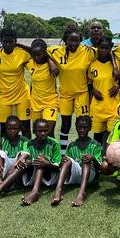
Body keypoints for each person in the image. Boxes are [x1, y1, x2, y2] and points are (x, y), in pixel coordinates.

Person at [49, 26, 96, 154]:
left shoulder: (88, 51)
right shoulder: (57, 51)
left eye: (76, 40)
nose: (74, 43)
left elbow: (106, 52)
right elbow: (41, 51)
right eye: (71, 40)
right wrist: (51, 62)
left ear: (80, 40)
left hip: (82, 93)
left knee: (83, 124)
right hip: (65, 94)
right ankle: (64, 154)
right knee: (65, 124)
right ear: (65, 40)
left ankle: (82, 152)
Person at [0, 28, 32, 136]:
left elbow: (37, 51)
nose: (8, 44)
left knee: (25, 127)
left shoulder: (22, 54)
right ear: (1, 42)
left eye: (11, 42)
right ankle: (4, 152)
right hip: (4, 97)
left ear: (15, 41)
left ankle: (28, 151)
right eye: (5, 42)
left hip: (22, 95)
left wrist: (20, 45)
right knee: (4, 128)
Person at [51, 116, 102, 207]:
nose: (82, 130)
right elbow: (68, 165)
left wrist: (93, 158)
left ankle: (81, 194)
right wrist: (63, 161)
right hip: (75, 177)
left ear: (90, 128)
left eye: (85, 128)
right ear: (76, 127)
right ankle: (58, 192)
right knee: (67, 160)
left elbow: (100, 168)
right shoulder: (71, 145)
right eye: (79, 127)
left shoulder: (95, 144)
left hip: (90, 177)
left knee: (85, 160)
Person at [19, 118, 62, 205]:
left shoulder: (54, 143)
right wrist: (32, 162)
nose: (43, 133)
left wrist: (47, 164)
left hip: (50, 177)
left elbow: (57, 167)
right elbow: (24, 162)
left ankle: (35, 192)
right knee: (39, 160)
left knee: (41, 160)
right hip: (32, 176)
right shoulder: (28, 143)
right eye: (40, 131)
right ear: (34, 131)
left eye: (45, 131)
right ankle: (2, 187)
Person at [87, 36, 120, 145]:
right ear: (97, 47)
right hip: (97, 107)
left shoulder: (117, 64)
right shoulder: (92, 65)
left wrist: (118, 86)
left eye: (106, 48)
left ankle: (109, 161)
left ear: (110, 48)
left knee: (112, 139)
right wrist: (93, 90)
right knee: (97, 138)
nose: (103, 50)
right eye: (101, 48)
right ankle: (97, 160)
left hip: (113, 107)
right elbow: (88, 83)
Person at [25, 39, 58, 136]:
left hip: (50, 102)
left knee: (48, 131)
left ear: (45, 53)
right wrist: (17, 44)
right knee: (37, 133)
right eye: (34, 54)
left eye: (39, 54)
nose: (36, 57)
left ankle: (53, 151)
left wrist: (49, 58)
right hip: (35, 103)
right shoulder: (30, 63)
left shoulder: (52, 64)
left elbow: (56, 72)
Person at [0, 115, 30, 186]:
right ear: (6, 129)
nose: (12, 131)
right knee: (0, 153)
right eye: (10, 129)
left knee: (21, 154)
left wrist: (13, 166)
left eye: (15, 129)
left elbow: (26, 154)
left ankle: (10, 181)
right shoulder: (2, 140)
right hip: (5, 166)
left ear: (19, 129)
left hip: (17, 167)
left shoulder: (24, 140)